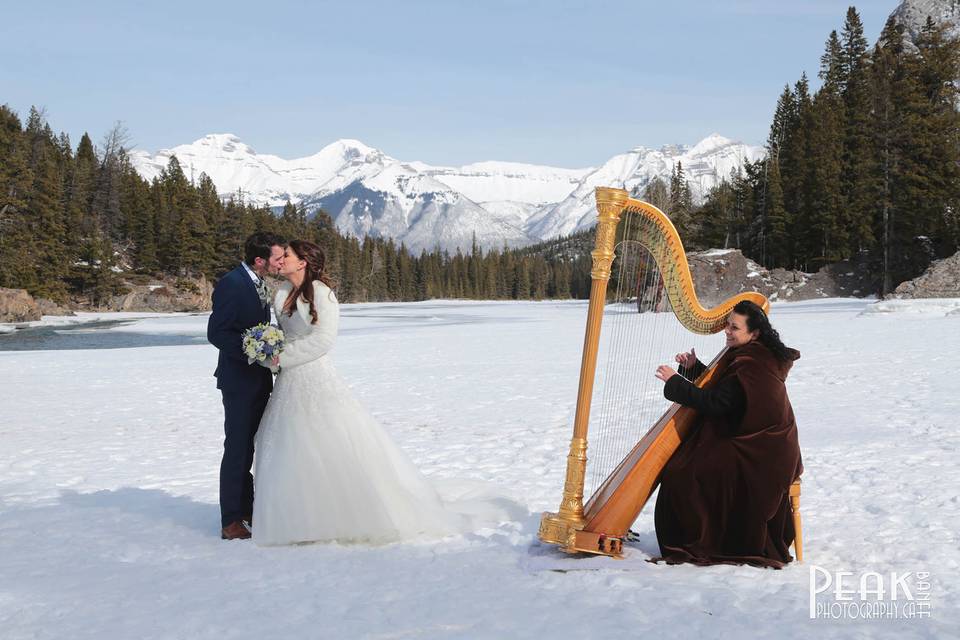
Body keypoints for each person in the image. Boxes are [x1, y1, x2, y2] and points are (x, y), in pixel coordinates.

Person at [251, 240, 469, 546]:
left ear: (302, 262)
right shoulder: (282, 294)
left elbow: (324, 339)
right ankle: (301, 516)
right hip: (289, 382)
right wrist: (270, 353)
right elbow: (285, 333)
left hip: (315, 376)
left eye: (287, 255)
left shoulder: (322, 293)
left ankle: (350, 513)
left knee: (329, 442)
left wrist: (280, 358)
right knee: (291, 444)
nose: (280, 260)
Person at [652, 300, 803, 568]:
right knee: (686, 463)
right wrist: (694, 368)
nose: (727, 331)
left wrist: (675, 382)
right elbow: (729, 392)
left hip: (762, 451)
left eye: (734, 327)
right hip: (757, 439)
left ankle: (703, 540)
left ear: (754, 333)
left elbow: (717, 404)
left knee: (682, 473)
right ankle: (704, 533)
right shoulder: (754, 354)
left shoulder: (752, 363)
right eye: (727, 325)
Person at [206, 232, 286, 540]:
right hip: (238, 381)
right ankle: (230, 521)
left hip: (257, 379)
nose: (281, 262)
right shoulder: (232, 283)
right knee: (237, 449)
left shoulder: (257, 283)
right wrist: (252, 350)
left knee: (249, 447)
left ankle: (246, 507)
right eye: (277, 258)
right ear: (259, 260)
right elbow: (217, 333)